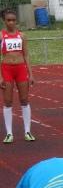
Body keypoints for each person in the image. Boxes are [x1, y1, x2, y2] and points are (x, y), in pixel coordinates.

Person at [1, 9, 34, 143]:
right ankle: (9, 133)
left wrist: (31, 74)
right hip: (6, 69)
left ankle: (27, 131)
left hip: (21, 69)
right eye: (8, 20)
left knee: (24, 99)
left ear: (16, 21)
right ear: (4, 21)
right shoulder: (1, 36)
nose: (11, 22)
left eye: (13, 20)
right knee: (8, 101)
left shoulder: (22, 36)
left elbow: (26, 55)